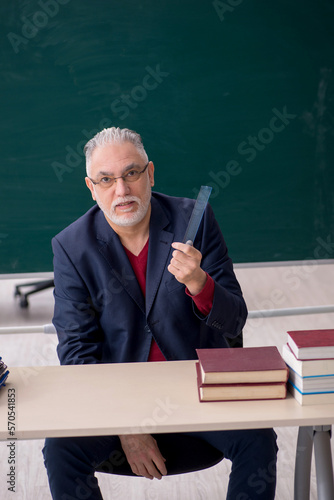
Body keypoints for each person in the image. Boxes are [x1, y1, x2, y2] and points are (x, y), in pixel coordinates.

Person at [43, 127, 278, 499]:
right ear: (91, 187)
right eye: (106, 179)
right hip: (119, 399)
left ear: (150, 174)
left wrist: (201, 283)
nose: (121, 190)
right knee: (59, 450)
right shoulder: (71, 247)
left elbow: (234, 321)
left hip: (198, 393)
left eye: (131, 173)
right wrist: (126, 425)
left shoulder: (194, 221)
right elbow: (76, 354)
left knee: (259, 439)